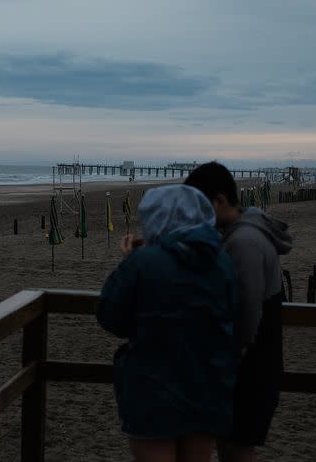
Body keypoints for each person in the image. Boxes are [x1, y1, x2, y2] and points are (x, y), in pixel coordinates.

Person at [97, 184, 238, 462]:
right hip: (209, 385)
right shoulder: (222, 260)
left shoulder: (144, 261)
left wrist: (132, 261)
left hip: (153, 389)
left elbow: (110, 317)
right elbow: (232, 313)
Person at [185, 162, 293, 462]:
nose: (197, 215)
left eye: (200, 205)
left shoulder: (244, 242)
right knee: (234, 446)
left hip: (249, 370)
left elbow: (246, 313)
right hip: (257, 365)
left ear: (219, 200)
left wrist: (224, 363)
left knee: (236, 449)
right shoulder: (245, 232)